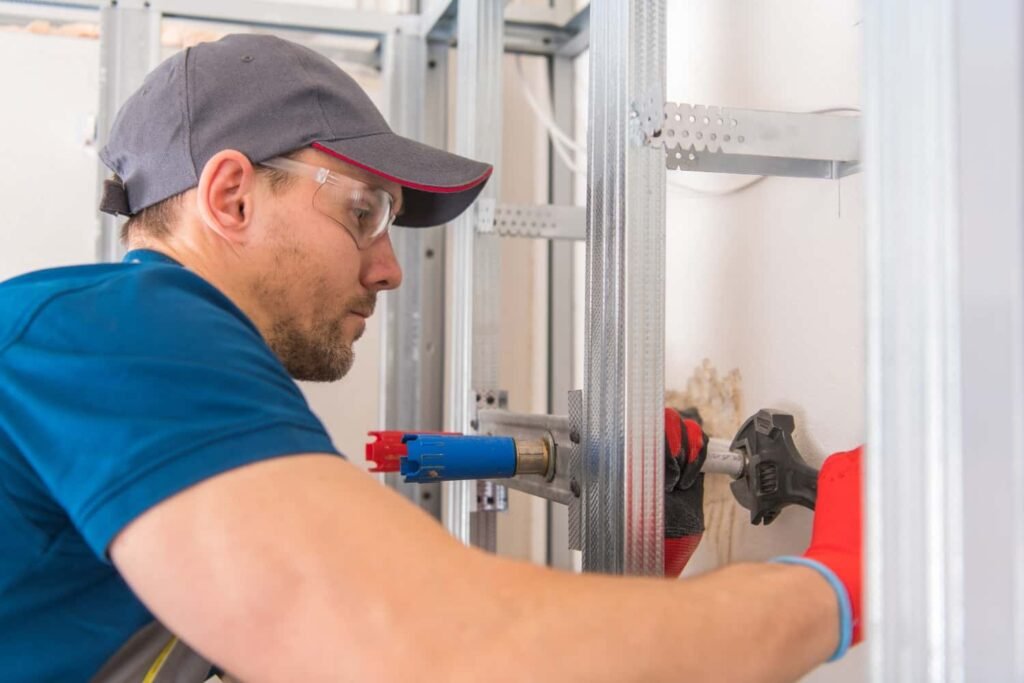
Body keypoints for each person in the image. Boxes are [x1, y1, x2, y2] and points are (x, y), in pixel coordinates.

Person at [0, 34, 862, 682]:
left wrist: (664, 547)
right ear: (231, 195)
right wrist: (836, 583)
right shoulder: (127, 332)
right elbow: (435, 648)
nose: (388, 267)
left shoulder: (106, 345)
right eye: (365, 212)